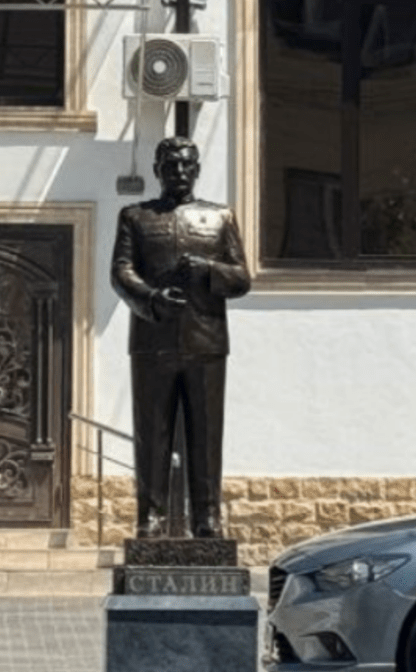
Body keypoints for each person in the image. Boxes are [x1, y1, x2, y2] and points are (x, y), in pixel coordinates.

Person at [110, 137, 251, 539]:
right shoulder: (135, 217)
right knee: (151, 433)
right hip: (152, 341)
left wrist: (209, 268)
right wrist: (152, 299)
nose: (179, 173)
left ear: (198, 169)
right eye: (170, 166)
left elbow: (241, 279)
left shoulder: (220, 218)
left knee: (205, 435)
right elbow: (121, 272)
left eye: (187, 165)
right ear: (156, 170)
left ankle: (207, 517)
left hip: (206, 343)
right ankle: (149, 518)